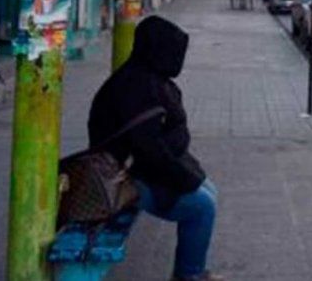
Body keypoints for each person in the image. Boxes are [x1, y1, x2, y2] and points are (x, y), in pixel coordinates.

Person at [88, 16, 223, 281]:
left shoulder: (145, 76)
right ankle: (189, 275)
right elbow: (149, 149)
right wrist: (182, 177)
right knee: (202, 206)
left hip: (138, 168)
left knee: (208, 191)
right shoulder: (137, 87)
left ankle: (190, 269)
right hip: (121, 179)